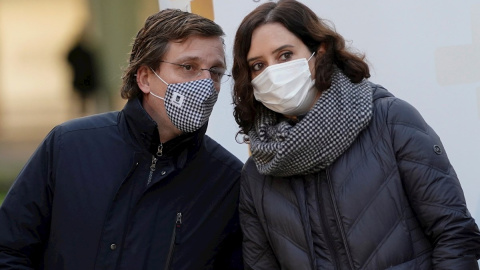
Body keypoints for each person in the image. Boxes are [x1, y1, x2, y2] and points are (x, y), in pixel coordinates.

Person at [231, 0, 480, 269]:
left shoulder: (390, 121)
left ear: (320, 50)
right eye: (258, 65)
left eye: (285, 55)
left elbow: (454, 234)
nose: (272, 73)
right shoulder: (258, 174)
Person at [0, 9, 243, 270]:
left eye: (216, 72)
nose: (206, 83)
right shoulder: (68, 146)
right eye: (188, 67)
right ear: (145, 78)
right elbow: (8, 250)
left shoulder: (227, 179)